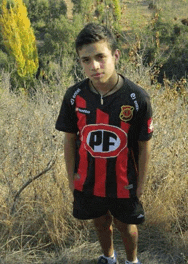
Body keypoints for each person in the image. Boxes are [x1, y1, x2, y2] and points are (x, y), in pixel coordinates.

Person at [55, 23, 153, 264]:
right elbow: (69, 140)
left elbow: (144, 145)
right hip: (89, 180)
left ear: (115, 55)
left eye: (100, 57)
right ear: (80, 62)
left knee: (125, 225)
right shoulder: (74, 96)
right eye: (86, 60)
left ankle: (132, 261)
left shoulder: (136, 98)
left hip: (123, 181)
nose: (94, 66)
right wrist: (72, 179)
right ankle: (108, 258)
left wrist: (140, 184)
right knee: (100, 222)